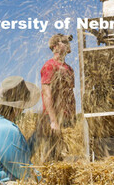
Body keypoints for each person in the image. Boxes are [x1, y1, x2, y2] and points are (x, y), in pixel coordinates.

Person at [38, 33, 76, 161]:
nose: (68, 44)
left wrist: (73, 117)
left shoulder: (69, 69)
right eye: (64, 42)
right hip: (52, 119)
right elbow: (46, 94)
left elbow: (70, 95)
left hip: (67, 118)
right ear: (55, 47)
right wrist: (53, 121)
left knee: (68, 157)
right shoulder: (50, 66)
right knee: (52, 158)